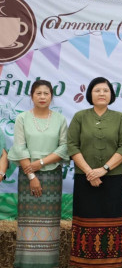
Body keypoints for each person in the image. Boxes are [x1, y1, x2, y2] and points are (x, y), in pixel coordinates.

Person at [67, 77, 122, 268]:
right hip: (84, 179)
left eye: (105, 90)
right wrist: (89, 172)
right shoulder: (80, 117)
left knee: (110, 224)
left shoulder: (120, 118)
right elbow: (72, 145)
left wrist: (103, 170)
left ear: (111, 94)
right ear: (90, 94)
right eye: (97, 90)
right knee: (84, 224)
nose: (102, 93)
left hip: (112, 181)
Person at [8, 80, 69, 268]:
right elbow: (19, 147)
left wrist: (41, 163)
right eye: (38, 93)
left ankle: (48, 264)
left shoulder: (60, 119)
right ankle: (26, 264)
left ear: (51, 96)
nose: (42, 97)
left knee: (50, 224)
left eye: (46, 93)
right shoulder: (22, 118)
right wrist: (32, 176)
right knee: (27, 224)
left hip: (52, 177)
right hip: (28, 177)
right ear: (31, 96)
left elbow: (64, 147)